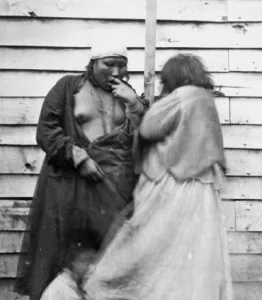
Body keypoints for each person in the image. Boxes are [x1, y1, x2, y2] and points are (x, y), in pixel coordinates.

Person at [81, 53, 234, 300]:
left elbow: (150, 128)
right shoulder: (206, 99)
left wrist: (146, 105)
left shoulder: (182, 97)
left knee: (150, 241)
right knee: (193, 248)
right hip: (202, 186)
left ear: (174, 77)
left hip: (174, 183)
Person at [14, 41, 147, 300]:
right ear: (93, 63)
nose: (117, 72)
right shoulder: (67, 87)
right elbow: (46, 130)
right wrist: (77, 157)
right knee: (66, 258)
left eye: (122, 65)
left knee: (110, 259)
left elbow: (141, 142)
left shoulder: (128, 93)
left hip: (114, 191)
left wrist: (135, 105)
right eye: (109, 64)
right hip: (71, 188)